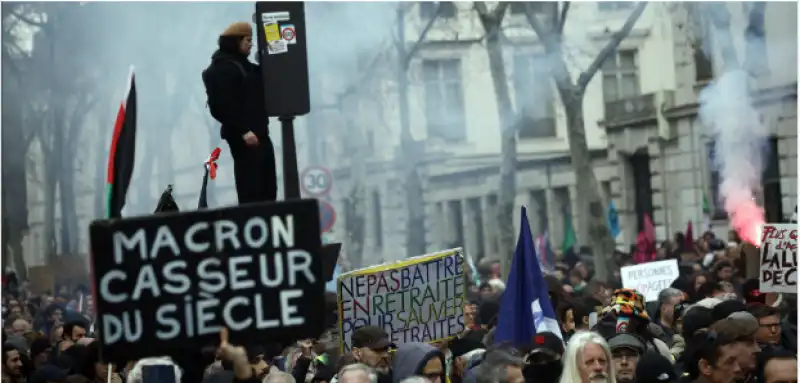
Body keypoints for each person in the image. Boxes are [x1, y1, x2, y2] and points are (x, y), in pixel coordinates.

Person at [204, 21, 277, 204]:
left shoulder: (242, 65)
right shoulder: (224, 69)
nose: (251, 44)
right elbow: (222, 106)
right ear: (235, 41)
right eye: (247, 40)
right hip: (245, 137)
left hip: (258, 133)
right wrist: (244, 130)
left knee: (268, 188)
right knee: (252, 190)